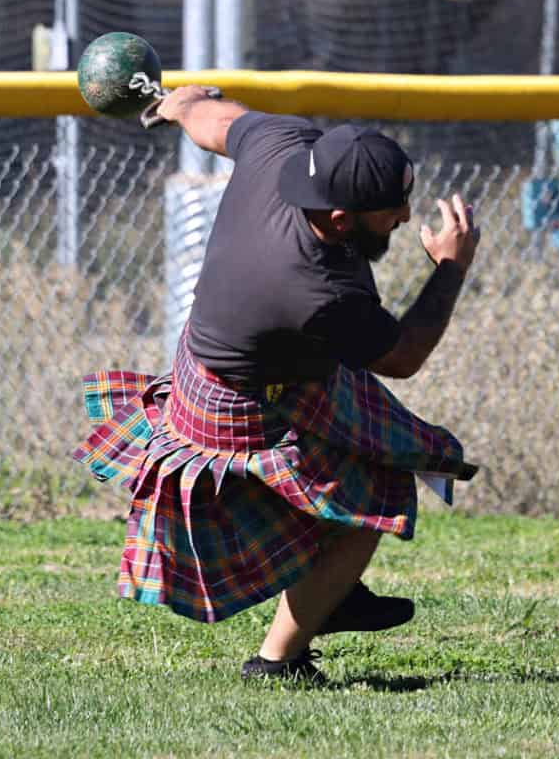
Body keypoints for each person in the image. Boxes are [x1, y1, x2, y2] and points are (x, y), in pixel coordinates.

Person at [73, 85, 480, 684]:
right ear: (340, 219)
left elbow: (220, 119)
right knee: (376, 489)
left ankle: (328, 589)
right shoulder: (317, 289)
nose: (403, 217)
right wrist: (452, 266)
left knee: (377, 452)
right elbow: (404, 355)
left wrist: (177, 104)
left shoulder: (282, 143)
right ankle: (277, 660)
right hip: (234, 400)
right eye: (390, 209)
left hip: (256, 364)